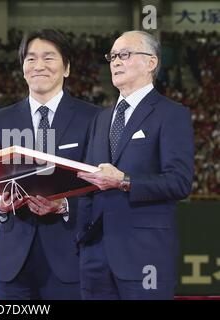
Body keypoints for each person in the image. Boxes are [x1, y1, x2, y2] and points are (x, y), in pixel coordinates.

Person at [0, 29, 99, 300]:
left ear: (66, 68)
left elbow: (99, 184)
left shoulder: (93, 118)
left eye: (49, 57)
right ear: (23, 68)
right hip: (12, 262)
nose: (39, 66)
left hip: (71, 255)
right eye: (31, 59)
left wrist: (64, 205)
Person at [76, 31, 194, 300]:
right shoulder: (101, 119)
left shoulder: (172, 113)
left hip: (145, 256)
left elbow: (179, 181)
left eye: (124, 55)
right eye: (112, 56)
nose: (115, 62)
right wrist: (80, 237)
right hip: (95, 258)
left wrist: (124, 181)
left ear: (151, 62)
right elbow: (87, 182)